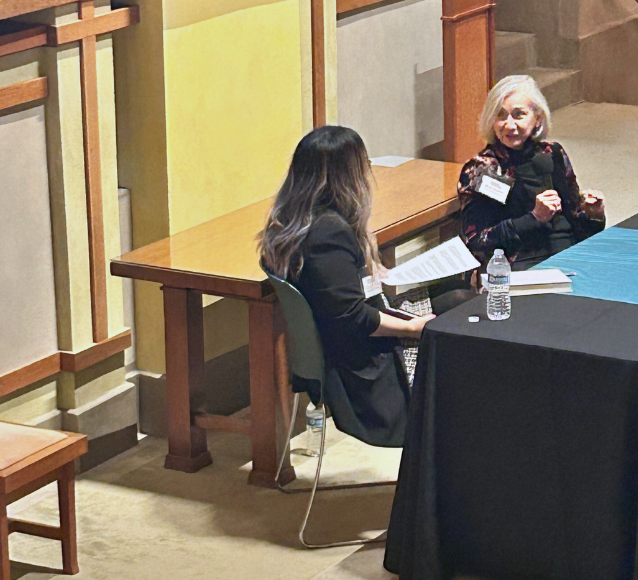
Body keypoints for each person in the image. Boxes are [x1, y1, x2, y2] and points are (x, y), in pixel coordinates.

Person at [258, 126, 433, 448]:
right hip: (361, 369)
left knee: (456, 299)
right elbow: (352, 317)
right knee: (469, 336)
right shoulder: (326, 233)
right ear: (347, 175)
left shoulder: (295, 221)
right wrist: (413, 329)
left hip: (350, 343)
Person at [459, 74, 606, 271]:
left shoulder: (553, 153)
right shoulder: (482, 169)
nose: (509, 125)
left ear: (537, 119)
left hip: (570, 256)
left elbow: (579, 226)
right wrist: (534, 218)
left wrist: (593, 214)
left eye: (518, 114)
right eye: (500, 116)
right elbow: (477, 242)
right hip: (521, 266)